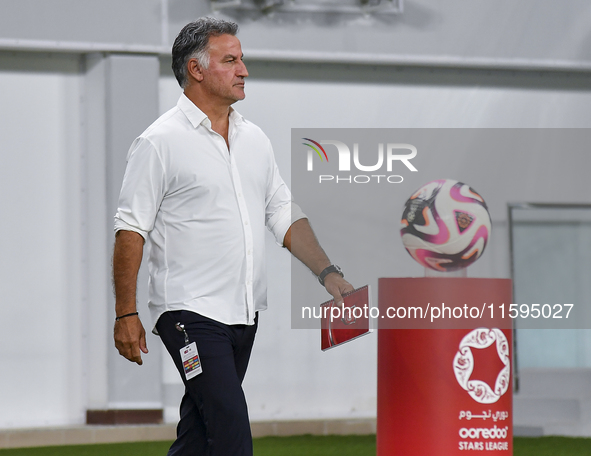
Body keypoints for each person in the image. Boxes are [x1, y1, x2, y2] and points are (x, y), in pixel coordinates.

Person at [112, 17, 353, 456]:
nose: (244, 70)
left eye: (242, 59)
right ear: (196, 69)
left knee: (199, 435)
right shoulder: (158, 142)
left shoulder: (254, 139)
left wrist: (328, 272)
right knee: (230, 435)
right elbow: (130, 228)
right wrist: (125, 313)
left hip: (244, 315)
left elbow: (281, 212)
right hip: (188, 314)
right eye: (231, 60)